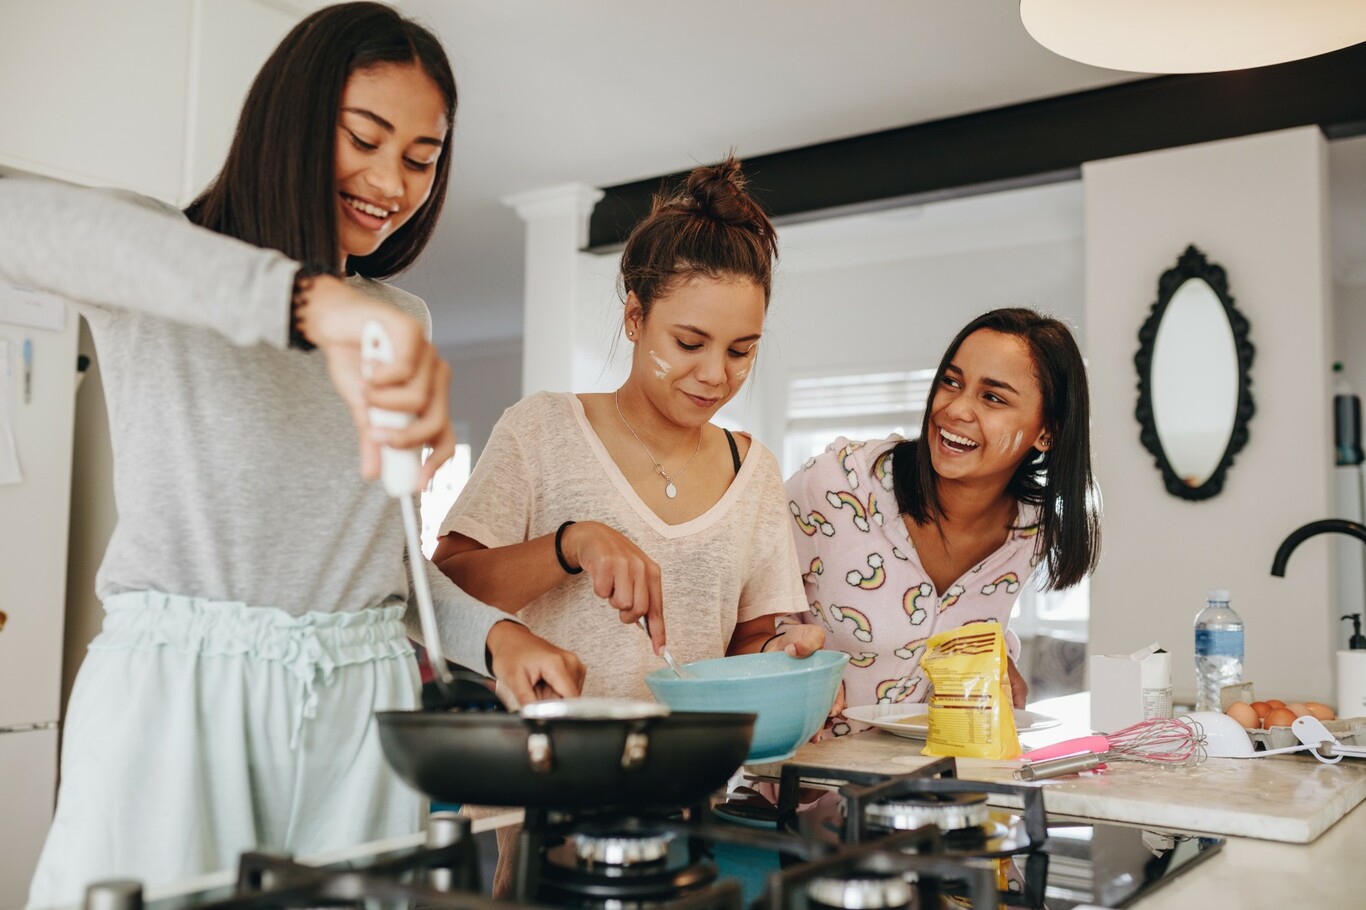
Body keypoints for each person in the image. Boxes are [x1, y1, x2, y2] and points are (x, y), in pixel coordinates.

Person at [0, 5, 582, 906]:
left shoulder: (402, 322)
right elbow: (16, 218)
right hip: (180, 703)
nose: (392, 182)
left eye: (422, 158)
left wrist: (492, 636)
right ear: (293, 117)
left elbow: (379, 571)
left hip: (362, 710)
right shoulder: (170, 270)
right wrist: (305, 302)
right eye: (365, 137)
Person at [432, 158, 824, 702]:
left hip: (683, 781)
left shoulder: (752, 472)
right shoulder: (543, 428)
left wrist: (780, 657)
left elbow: (746, 642)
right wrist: (571, 544)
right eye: (690, 343)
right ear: (635, 318)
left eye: (741, 350)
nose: (715, 375)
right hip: (539, 774)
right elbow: (442, 594)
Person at [785, 308, 1100, 735]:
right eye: (951, 382)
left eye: (993, 398)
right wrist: (790, 663)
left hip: (926, 784)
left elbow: (971, 624)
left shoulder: (1031, 530)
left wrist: (1000, 662)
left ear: (1047, 433)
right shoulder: (839, 484)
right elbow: (743, 611)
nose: (956, 409)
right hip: (796, 786)